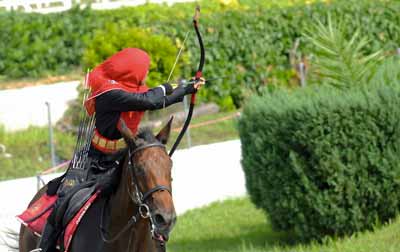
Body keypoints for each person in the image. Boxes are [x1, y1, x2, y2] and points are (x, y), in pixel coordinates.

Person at [37, 48, 205, 252]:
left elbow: (156, 99)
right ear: (130, 70)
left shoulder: (131, 89)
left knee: (146, 202)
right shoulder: (109, 93)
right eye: (143, 70)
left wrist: (188, 88)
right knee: (65, 199)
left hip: (122, 156)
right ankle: (44, 248)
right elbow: (149, 100)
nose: (145, 74)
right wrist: (168, 87)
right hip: (93, 160)